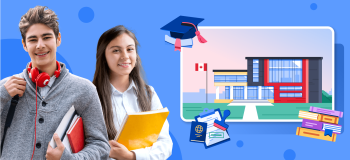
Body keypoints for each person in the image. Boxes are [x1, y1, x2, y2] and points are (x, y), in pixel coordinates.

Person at [0, 6, 110, 159]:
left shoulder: (85, 90)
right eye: (33, 39)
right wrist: (1, 96)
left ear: (58, 39)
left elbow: (101, 146)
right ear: (24, 45)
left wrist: (69, 159)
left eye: (46, 37)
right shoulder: (5, 88)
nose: (40, 45)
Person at [92, 25, 173, 160]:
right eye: (116, 50)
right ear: (104, 56)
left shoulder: (149, 94)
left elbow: (165, 144)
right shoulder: (91, 96)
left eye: (130, 49)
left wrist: (131, 156)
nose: (125, 56)